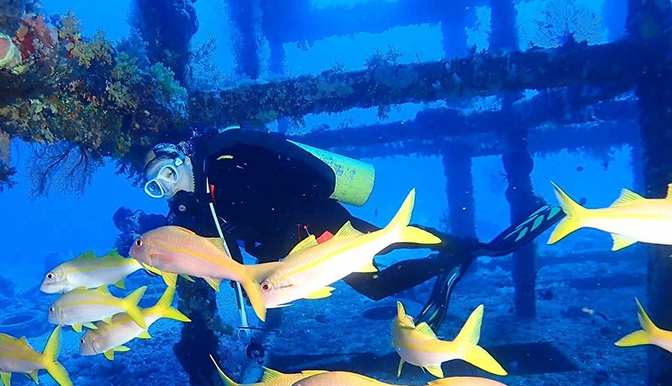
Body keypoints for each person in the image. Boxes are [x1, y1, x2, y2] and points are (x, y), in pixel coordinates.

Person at [115, 125, 563, 336]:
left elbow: (293, 160)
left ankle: (476, 248)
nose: (167, 188)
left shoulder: (227, 152)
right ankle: (454, 255)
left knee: (388, 242)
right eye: (157, 187)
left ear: (180, 159)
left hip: (316, 223)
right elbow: (212, 252)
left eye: (167, 174)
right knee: (380, 264)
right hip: (294, 251)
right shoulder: (199, 207)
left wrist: (312, 203)